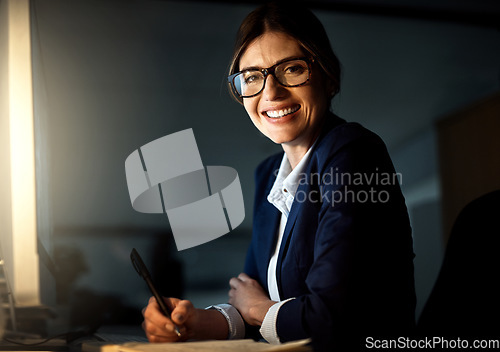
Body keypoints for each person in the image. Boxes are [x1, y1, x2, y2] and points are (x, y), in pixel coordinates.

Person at [142, 2, 416, 350]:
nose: (270, 93)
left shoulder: (354, 153)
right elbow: (252, 293)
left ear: (329, 77)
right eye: (253, 77)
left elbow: (328, 321)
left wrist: (258, 308)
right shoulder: (269, 174)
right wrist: (195, 321)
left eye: (292, 69)